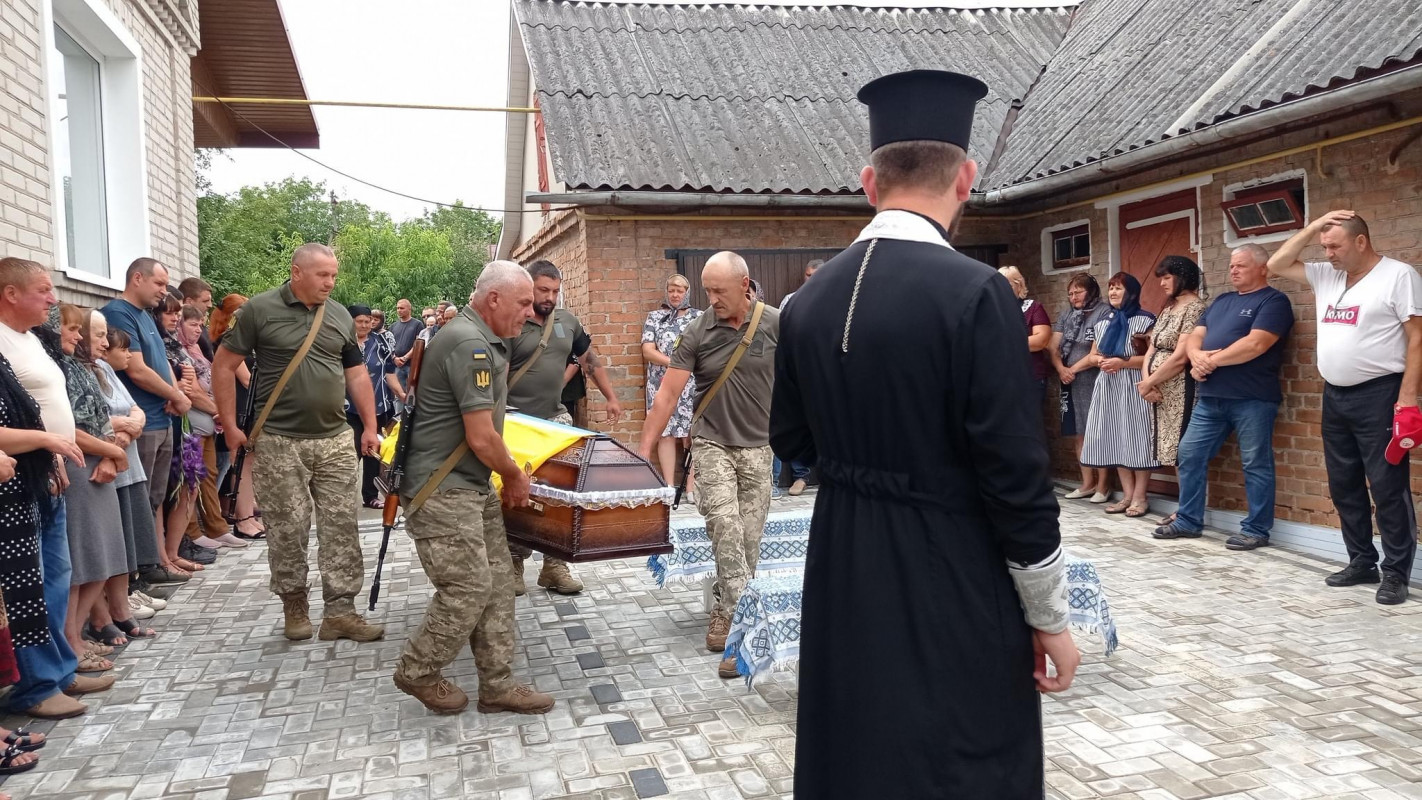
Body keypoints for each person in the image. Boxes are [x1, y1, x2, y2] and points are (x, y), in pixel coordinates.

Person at [769, 70, 1078, 798]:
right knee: (959, 749)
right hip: (951, 561)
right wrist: (1051, 616)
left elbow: (790, 438)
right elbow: (1014, 473)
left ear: (868, 183)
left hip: (844, 552)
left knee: (857, 741)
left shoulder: (806, 301)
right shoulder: (975, 293)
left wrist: (860, 472)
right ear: (966, 178)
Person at [390, 262, 554, 716]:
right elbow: (481, 436)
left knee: (500, 583)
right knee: (468, 588)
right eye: (523, 302)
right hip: (443, 492)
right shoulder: (470, 344)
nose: (530, 311)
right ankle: (418, 670)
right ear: (494, 299)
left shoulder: (480, 339)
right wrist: (516, 475)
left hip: (469, 485)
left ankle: (497, 685)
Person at [213, 243, 384, 643]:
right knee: (287, 528)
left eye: (334, 275)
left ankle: (341, 612)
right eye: (323, 275)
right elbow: (223, 364)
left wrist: (370, 426)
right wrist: (230, 425)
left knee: (342, 526)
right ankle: (294, 605)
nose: (330, 282)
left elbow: (357, 374)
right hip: (278, 441)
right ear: (296, 272)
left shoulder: (339, 314)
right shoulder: (259, 310)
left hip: (335, 439)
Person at [1267, 210, 1422, 603]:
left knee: (1387, 487)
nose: (1328, 253)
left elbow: (1417, 338)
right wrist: (1314, 225)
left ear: (1360, 241)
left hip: (1380, 394)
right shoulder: (1327, 276)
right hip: (1335, 394)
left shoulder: (1398, 276)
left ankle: (1396, 573)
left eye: (1334, 246)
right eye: (1324, 246)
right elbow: (1276, 264)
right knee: (1343, 484)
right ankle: (1361, 561)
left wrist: (1407, 398)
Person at [639, 251, 778, 679]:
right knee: (725, 527)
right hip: (712, 443)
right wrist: (644, 452)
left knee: (749, 540)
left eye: (719, 290)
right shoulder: (697, 330)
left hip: (759, 447)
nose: (711, 298)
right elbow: (667, 395)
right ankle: (739, 635)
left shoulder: (775, 323)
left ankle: (722, 606)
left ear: (745, 283)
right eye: (707, 290)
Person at [0, 258, 107, 719]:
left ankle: (60, 670)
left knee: (57, 578)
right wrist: (46, 445)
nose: (53, 299)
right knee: (29, 584)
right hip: (15, 483)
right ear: (10, 293)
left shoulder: (33, 340)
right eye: (44, 290)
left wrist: (54, 457)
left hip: (48, 474)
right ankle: (37, 686)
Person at [1154, 244, 1293, 550]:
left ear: (1262, 268)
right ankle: (1188, 521)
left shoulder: (1273, 301)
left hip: (1252, 398)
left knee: (1256, 463)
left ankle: (1256, 529)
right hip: (1211, 397)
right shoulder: (1221, 301)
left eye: (1240, 266)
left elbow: (1256, 344)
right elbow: (1194, 338)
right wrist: (1197, 357)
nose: (1233, 271)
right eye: (1232, 266)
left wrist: (1210, 361)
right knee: (1189, 454)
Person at [505, 260, 623, 596]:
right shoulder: (514, 323)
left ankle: (554, 565)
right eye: (543, 290)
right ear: (529, 287)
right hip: (515, 424)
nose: (550, 297)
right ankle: (514, 564)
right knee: (518, 497)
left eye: (555, 291)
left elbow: (590, 360)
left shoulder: (567, 322)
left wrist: (611, 397)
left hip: (554, 422)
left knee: (560, 497)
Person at [101, 258, 191, 586]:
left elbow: (160, 361)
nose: (164, 291)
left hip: (161, 414)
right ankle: (143, 569)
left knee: (156, 495)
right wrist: (178, 396)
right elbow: (135, 369)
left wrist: (173, 391)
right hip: (143, 420)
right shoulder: (119, 313)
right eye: (159, 284)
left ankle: (159, 560)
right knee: (142, 497)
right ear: (137, 278)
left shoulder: (145, 315)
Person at [1079, 273, 1159, 517]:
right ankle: (1126, 494)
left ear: (1132, 292)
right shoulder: (1103, 322)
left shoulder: (1146, 321)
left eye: (1119, 288)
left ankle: (1140, 497)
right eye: (1111, 288)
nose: (1113, 292)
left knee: (1137, 438)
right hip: (1109, 385)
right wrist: (1099, 360)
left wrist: (1122, 362)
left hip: (1134, 384)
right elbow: (1094, 354)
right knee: (1116, 437)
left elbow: (1152, 357)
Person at [1136, 257, 1207, 526]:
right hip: (1157, 387)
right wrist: (1147, 382)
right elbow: (1152, 349)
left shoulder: (1195, 308)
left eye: (1167, 277)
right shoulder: (1168, 308)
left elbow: (1180, 357)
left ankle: (1186, 510)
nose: (1163, 283)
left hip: (1181, 387)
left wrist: (1150, 382)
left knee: (1182, 450)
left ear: (1182, 277)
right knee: (1169, 448)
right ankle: (1183, 507)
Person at [1050, 273, 1113, 503]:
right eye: (1070, 293)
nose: (1073, 296)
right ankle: (1086, 483)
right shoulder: (1067, 314)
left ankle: (1103, 486)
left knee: (1097, 432)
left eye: (1078, 292)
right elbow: (1053, 346)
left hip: (1093, 378)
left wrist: (1072, 369)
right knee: (1079, 433)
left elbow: (1099, 349)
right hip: (1069, 381)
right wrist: (1060, 369)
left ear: (1091, 291)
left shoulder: (1103, 312)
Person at [208, 295, 264, 539]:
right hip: (241, 405)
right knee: (241, 463)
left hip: (247, 404)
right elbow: (245, 378)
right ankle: (243, 519)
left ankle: (248, 514)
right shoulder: (227, 340)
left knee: (247, 463)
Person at [641, 274, 702, 495]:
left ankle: (690, 485)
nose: (675, 294)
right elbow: (648, 350)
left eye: (680, 290)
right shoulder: (655, 317)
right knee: (665, 432)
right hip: (661, 383)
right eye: (672, 290)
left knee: (691, 434)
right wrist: (676, 364)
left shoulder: (699, 317)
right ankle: (668, 486)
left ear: (688, 292)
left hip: (691, 383)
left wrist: (684, 368)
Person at [347, 304, 404, 507]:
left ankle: (370, 496)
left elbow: (390, 372)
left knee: (374, 452)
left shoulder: (380, 342)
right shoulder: (343, 343)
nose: (364, 325)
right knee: (349, 452)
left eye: (367, 321)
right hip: (349, 409)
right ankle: (342, 497)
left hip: (379, 406)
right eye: (359, 321)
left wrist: (401, 394)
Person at [774, 262, 819, 496]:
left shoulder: (837, 295)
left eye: (815, 276)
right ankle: (799, 476)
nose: (810, 280)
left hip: (825, 368)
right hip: (798, 366)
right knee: (795, 419)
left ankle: (824, 475)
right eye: (807, 275)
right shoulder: (791, 300)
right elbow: (782, 330)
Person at [999, 265, 1053, 406]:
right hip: (1000, 380)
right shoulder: (991, 311)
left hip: (1029, 378)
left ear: (1019, 286)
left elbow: (1041, 340)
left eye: (1007, 285)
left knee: (1029, 426)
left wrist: (1003, 342)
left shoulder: (1033, 308)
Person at [389, 298, 424, 392]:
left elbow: (418, 344)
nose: (399, 310)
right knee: (398, 393)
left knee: (412, 393)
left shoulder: (417, 324)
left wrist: (404, 358)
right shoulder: (393, 326)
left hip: (411, 365)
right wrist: (394, 358)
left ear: (409, 309)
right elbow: (389, 346)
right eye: (397, 308)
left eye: (402, 308)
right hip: (396, 366)